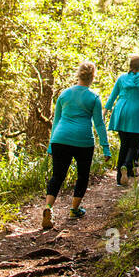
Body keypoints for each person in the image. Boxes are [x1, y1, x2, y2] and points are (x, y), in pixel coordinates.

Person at [42, 61, 111, 230]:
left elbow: (56, 121)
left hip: (60, 138)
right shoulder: (93, 97)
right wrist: (105, 146)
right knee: (82, 175)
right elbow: (99, 124)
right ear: (93, 77)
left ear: (78, 75)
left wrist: (51, 145)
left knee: (57, 175)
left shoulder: (64, 95)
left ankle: (48, 207)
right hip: (83, 140)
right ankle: (74, 209)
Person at [105, 55, 139, 186]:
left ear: (130, 66)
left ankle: (119, 178)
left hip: (121, 110)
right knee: (134, 144)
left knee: (124, 144)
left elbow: (113, 96)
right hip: (136, 111)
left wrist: (105, 111)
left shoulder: (121, 78)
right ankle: (126, 165)